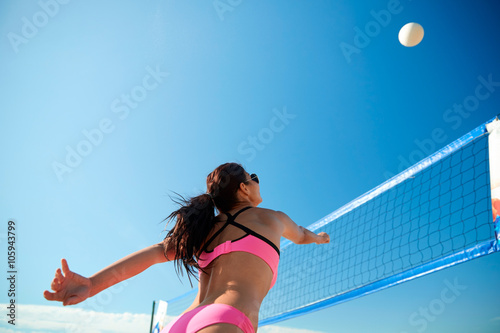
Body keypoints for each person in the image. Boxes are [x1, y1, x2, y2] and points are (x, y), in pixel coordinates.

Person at [44, 162, 330, 332]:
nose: (256, 182)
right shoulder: (273, 218)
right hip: (227, 317)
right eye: (252, 177)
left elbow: (153, 254)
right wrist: (319, 237)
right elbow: (302, 235)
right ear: (243, 189)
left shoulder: (203, 230)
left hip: (183, 323)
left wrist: (92, 284)